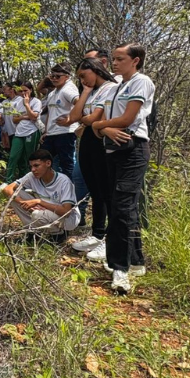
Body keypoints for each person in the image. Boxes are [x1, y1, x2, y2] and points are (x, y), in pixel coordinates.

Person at [92, 43, 155, 294]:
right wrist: (103, 128)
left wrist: (100, 126)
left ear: (135, 60)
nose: (115, 63)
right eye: (114, 59)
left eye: (120, 59)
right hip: (112, 150)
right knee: (121, 205)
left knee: (122, 207)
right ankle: (136, 260)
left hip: (133, 149)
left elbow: (128, 119)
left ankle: (121, 268)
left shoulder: (142, 82)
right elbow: (101, 123)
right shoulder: (118, 86)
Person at [67, 57, 118, 261]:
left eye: (83, 75)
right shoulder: (90, 91)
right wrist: (86, 92)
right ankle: (97, 234)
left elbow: (93, 118)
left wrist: (85, 118)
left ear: (95, 69)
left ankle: (111, 239)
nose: (81, 80)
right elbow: (74, 116)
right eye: (78, 78)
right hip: (87, 139)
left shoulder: (111, 87)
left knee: (106, 190)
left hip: (101, 138)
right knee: (94, 189)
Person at [0, 149, 80, 239]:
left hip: (68, 219)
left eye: (36, 165)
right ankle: (32, 231)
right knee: (14, 196)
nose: (33, 169)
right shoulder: (32, 176)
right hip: (45, 210)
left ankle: (58, 235)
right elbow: (7, 189)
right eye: (31, 166)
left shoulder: (64, 181)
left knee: (37, 214)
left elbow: (66, 212)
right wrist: (23, 202)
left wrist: (39, 202)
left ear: (48, 163)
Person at [40, 62, 79, 179]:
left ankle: (70, 191)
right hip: (52, 133)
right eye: (52, 76)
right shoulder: (53, 93)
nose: (54, 79)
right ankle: (50, 187)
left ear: (67, 76)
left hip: (65, 132)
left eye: (58, 76)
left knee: (67, 164)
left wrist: (71, 119)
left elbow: (80, 103)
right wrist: (46, 131)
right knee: (43, 161)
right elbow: (50, 114)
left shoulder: (68, 89)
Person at [5, 81, 42, 182]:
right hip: (19, 132)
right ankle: (8, 181)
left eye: (25, 90)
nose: (23, 93)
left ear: (31, 90)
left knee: (30, 157)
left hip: (31, 132)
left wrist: (26, 105)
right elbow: (14, 119)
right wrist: (25, 116)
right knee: (13, 156)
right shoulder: (18, 103)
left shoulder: (36, 102)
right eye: (21, 91)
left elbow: (34, 117)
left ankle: (31, 181)